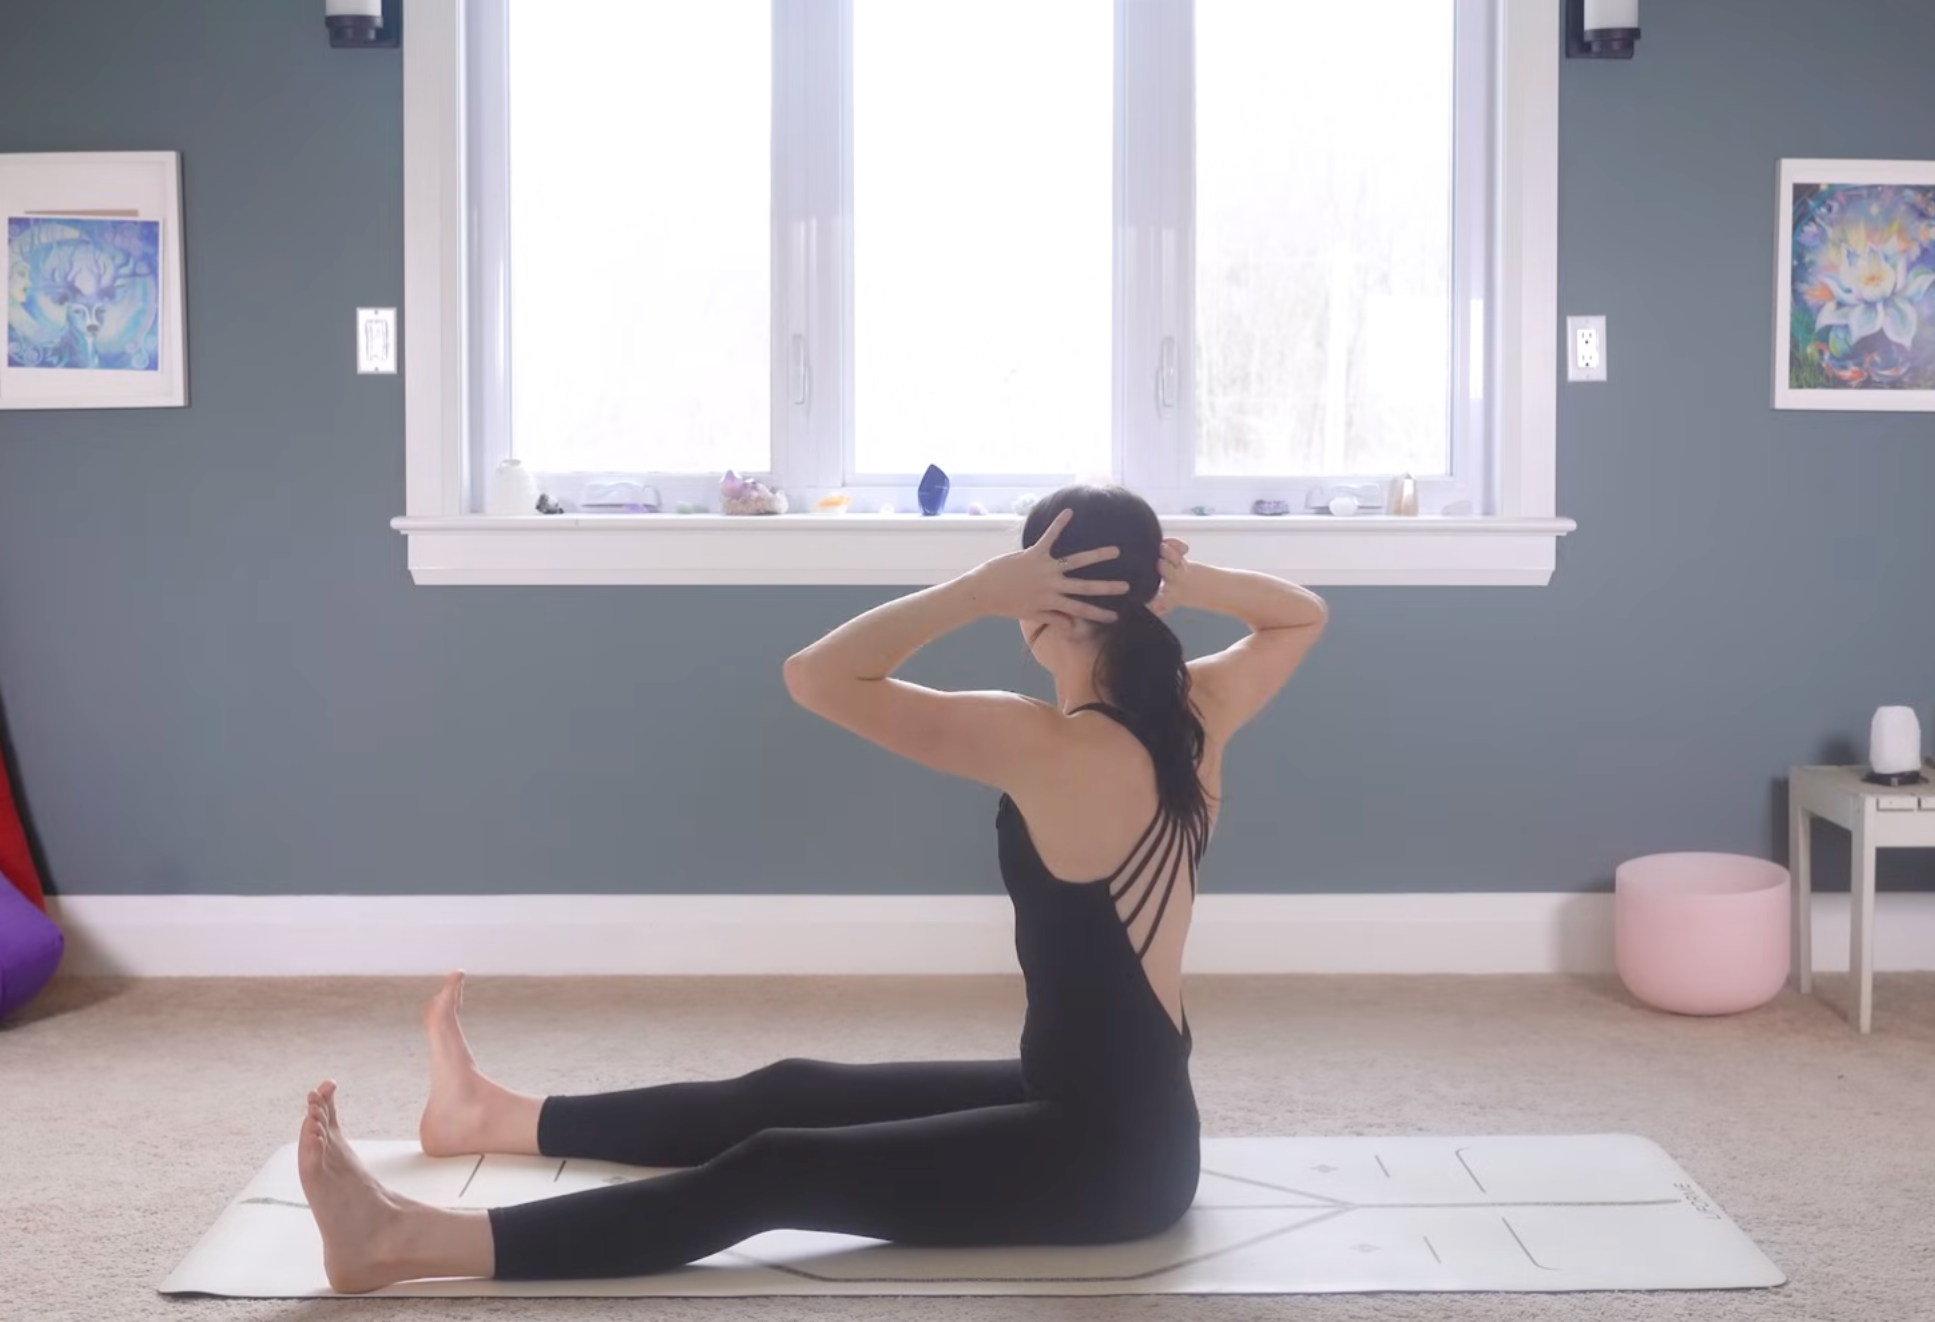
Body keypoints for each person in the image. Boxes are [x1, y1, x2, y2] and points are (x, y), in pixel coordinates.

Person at [294, 484, 1329, 1292]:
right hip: (1119, 1118)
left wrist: (977, 588)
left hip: (1106, 1162)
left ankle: (403, 1241)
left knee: (779, 1166)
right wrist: (1187, 585)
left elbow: (818, 676)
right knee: (796, 1092)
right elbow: (1300, 617)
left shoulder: (1038, 741)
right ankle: (491, 1119)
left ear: (1037, 609)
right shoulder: (1197, 709)